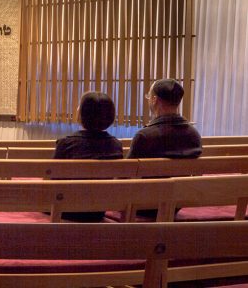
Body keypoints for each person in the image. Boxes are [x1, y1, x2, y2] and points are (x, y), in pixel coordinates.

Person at [53, 91, 124, 222]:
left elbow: (52, 181)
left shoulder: (66, 144)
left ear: (81, 114)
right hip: (98, 210)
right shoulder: (116, 145)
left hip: (66, 209)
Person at [127, 79, 202, 159]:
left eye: (149, 96)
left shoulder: (144, 137)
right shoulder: (194, 135)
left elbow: (128, 169)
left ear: (154, 100)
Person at [54, 92, 124, 160]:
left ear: (81, 114)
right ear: (110, 116)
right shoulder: (116, 146)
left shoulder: (65, 145)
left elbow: (55, 170)